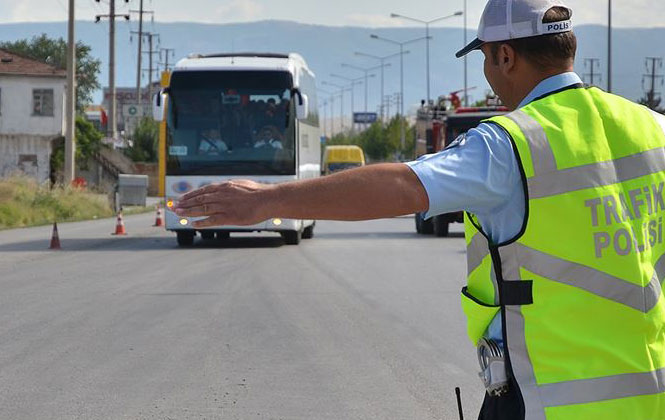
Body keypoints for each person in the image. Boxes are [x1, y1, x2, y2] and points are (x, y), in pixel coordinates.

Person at [175, 0, 665, 418]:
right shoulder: (652, 130)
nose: (488, 75)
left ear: (506, 56)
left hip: (545, 403)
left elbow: (402, 187)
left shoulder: (509, 145)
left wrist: (266, 201)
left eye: (486, 60)